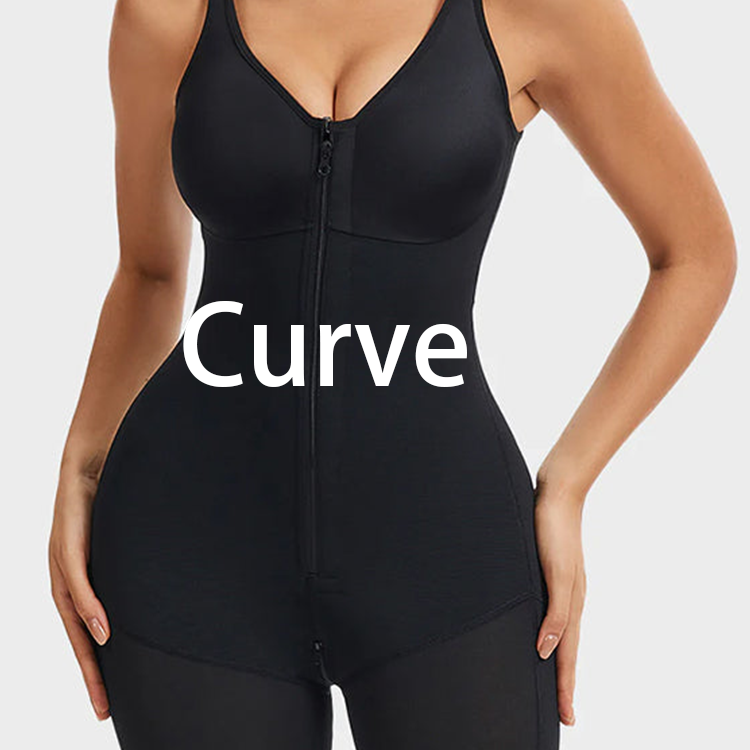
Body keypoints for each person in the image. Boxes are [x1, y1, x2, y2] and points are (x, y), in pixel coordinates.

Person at [49, 0, 736, 748]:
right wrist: (82, 465)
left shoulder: (540, 10)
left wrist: (568, 484)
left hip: (448, 555)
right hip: (189, 550)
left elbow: (696, 253)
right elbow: (149, 273)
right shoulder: (167, 12)